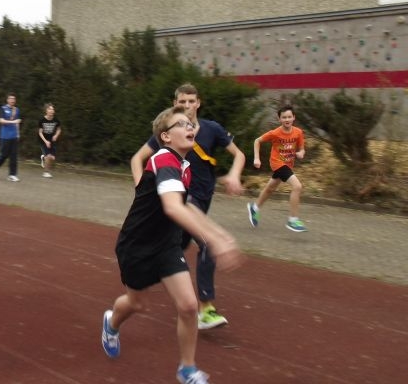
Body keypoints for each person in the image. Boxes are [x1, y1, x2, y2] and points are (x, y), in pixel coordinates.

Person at [102, 106, 242, 384]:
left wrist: (219, 234)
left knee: (189, 306)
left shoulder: (184, 166)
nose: (190, 127)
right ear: (165, 136)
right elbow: (173, 207)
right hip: (137, 246)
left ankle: (187, 369)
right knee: (137, 303)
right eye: (181, 124)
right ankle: (111, 323)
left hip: (166, 244)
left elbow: (187, 206)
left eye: (190, 124)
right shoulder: (164, 159)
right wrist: (212, 240)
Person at [131, 83, 244, 330]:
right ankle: (206, 308)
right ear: (175, 104)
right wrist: (142, 187)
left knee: (175, 247)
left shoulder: (212, 129)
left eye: (191, 101)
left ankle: (148, 274)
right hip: (183, 199)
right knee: (206, 243)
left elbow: (239, 155)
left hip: (203, 197)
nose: (187, 106)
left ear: (198, 103)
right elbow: (137, 158)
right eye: (182, 102)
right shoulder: (170, 131)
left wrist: (234, 175)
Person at [248, 104, 308, 232]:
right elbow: (257, 141)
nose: (287, 119)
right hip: (277, 163)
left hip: (288, 164)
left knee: (270, 188)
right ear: (279, 119)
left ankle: (254, 208)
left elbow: (302, 149)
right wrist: (256, 158)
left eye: (289, 117)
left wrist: (301, 153)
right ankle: (293, 220)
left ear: (294, 117)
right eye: (284, 117)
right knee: (297, 186)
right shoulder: (275, 133)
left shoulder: (298, 132)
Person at [0, 93, 21, 182]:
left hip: (14, 136)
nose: (12, 100)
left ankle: (12, 175)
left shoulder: (17, 110)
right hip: (5, 136)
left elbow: (17, 122)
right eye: (11, 98)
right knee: (4, 155)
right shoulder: (3, 108)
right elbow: (1, 120)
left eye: (14, 99)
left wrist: (18, 134)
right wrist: (12, 122)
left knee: (14, 156)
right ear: (7, 100)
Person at [38, 103, 61, 178]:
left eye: (52, 109)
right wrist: (46, 141)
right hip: (43, 141)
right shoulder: (42, 120)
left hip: (52, 141)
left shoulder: (56, 120)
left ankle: (43, 158)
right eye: (50, 109)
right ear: (46, 111)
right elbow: (40, 132)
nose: (51, 110)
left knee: (52, 158)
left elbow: (59, 129)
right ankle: (46, 172)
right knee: (48, 156)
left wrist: (56, 135)